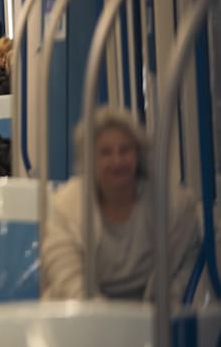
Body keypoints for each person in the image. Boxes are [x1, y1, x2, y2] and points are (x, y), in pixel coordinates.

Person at [41, 107, 201, 303]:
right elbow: (67, 279)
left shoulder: (174, 206)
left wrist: (159, 313)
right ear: (90, 159)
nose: (117, 161)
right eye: (106, 153)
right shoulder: (65, 207)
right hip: (80, 321)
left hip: (152, 323)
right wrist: (107, 324)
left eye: (125, 150)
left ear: (138, 154)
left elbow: (184, 266)